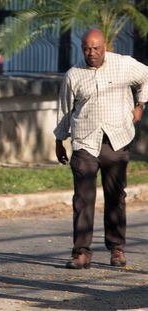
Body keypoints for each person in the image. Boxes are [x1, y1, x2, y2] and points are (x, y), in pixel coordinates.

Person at [54, 28, 148, 269]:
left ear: (105, 46)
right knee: (83, 198)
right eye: (87, 48)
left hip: (116, 140)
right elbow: (65, 109)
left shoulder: (124, 64)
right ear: (82, 48)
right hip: (85, 141)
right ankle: (81, 252)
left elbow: (146, 76)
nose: (91, 53)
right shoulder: (74, 74)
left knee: (116, 196)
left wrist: (140, 105)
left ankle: (116, 248)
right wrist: (59, 140)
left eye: (96, 48)